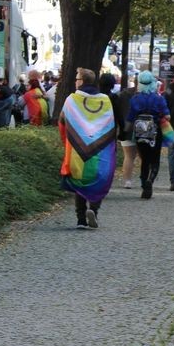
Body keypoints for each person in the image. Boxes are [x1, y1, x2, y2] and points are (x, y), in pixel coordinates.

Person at [59, 68, 117, 229]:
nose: (75, 81)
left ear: (82, 81)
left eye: (77, 78)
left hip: (78, 150)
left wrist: (67, 141)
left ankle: (81, 219)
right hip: (100, 149)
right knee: (98, 178)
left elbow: (62, 120)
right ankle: (94, 211)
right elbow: (110, 124)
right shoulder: (105, 100)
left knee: (80, 180)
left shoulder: (72, 99)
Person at [126, 72, 170, 199]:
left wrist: (124, 131)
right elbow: (167, 116)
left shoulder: (135, 98)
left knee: (144, 159)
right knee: (155, 159)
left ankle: (143, 183)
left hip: (140, 133)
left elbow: (130, 117)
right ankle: (150, 179)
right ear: (153, 83)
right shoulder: (159, 98)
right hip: (155, 132)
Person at [116, 76, 139, 189]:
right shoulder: (146, 95)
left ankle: (127, 181)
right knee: (144, 156)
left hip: (126, 128)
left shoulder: (123, 95)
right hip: (143, 130)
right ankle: (144, 179)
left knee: (129, 156)